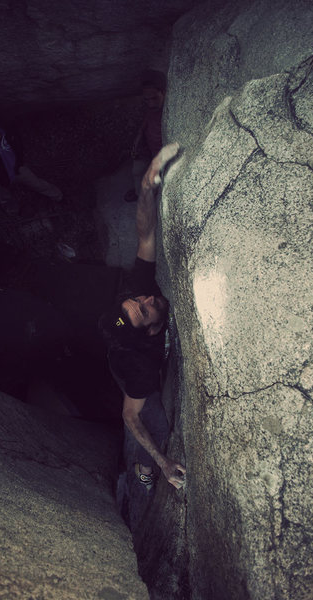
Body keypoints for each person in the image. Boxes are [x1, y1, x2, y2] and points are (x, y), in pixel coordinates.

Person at [100, 142, 186, 491]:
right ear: (149, 330)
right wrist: (164, 463)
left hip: (119, 337)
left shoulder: (132, 304)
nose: (150, 297)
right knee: (158, 427)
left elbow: (145, 232)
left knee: (118, 323)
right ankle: (143, 468)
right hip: (126, 372)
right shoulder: (141, 370)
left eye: (141, 301)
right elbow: (130, 415)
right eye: (146, 308)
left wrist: (149, 185)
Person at [0, 109, 63, 215]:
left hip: (18, 169)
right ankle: (14, 212)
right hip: (0, 180)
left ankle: (59, 196)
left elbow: (19, 145)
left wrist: (19, 162)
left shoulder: (8, 130)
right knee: (5, 198)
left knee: (37, 183)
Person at [124, 69, 166, 203]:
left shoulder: (168, 111)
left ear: (163, 93)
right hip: (147, 148)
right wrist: (137, 143)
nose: (151, 103)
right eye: (147, 99)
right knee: (137, 170)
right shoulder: (151, 110)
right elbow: (144, 125)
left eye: (154, 98)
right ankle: (138, 193)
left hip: (159, 153)